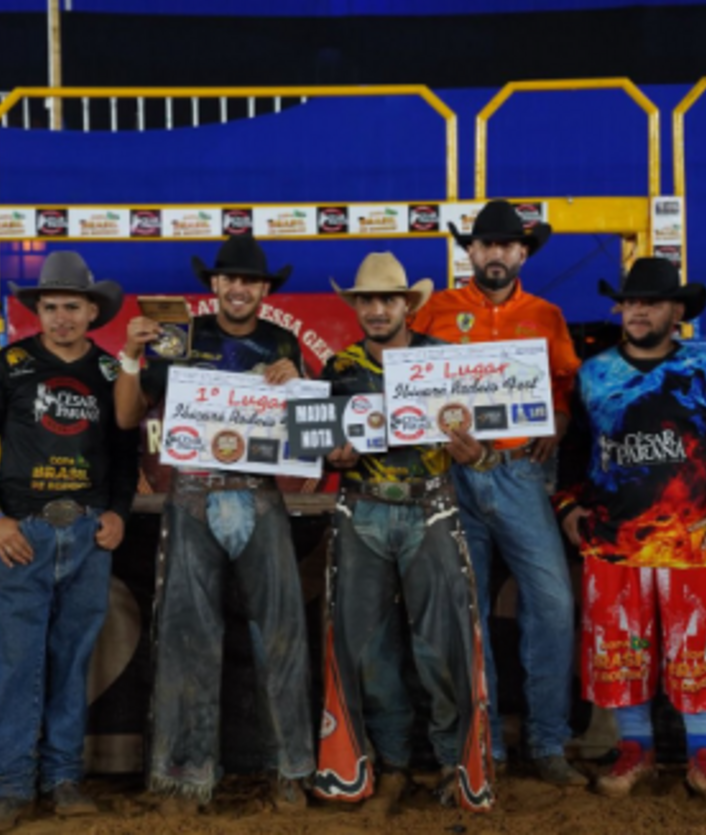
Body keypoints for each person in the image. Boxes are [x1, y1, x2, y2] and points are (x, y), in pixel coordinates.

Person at [556, 257, 706, 804]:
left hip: (694, 542)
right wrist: (567, 506)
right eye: (630, 301)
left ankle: (705, 758)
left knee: (699, 653)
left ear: (677, 312)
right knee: (621, 653)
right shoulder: (594, 374)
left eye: (650, 302)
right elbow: (574, 449)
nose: (638, 311)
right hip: (612, 542)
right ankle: (636, 749)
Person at [115, 235, 314, 812]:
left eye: (250, 280)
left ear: (265, 288)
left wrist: (297, 384)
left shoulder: (282, 342)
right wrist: (130, 355)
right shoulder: (181, 336)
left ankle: (290, 769)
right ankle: (186, 773)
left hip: (259, 492)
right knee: (187, 636)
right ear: (215, 284)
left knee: (281, 636)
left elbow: (307, 433)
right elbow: (127, 416)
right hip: (192, 494)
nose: (239, 288)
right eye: (230, 279)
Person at [0, 251, 139, 831]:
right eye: (51, 307)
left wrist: (118, 511)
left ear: (93, 312)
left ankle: (63, 778)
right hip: (23, 532)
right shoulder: (7, 365)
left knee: (72, 661)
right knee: (17, 663)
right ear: (37, 311)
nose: (61, 317)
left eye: (72, 307)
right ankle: (10, 786)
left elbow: (126, 450)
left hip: (88, 533)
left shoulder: (110, 371)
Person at [410, 199, 584, 785]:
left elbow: (565, 384)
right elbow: (406, 380)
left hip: (518, 470)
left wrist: (559, 421)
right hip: (451, 473)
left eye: (506, 245)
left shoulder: (546, 315)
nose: (495, 254)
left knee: (553, 604)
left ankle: (548, 740)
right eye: (485, 244)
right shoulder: (435, 310)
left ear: (522, 254)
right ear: (472, 252)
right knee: (467, 608)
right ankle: (482, 743)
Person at [313, 253, 494, 814]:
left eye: (387, 299)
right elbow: (314, 449)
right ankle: (391, 764)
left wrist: (476, 454)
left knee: (440, 648)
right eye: (366, 300)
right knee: (369, 651)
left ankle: (450, 763)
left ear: (406, 305)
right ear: (356, 307)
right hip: (361, 510)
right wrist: (331, 456)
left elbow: (487, 448)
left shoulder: (442, 361)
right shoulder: (338, 368)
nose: (376, 309)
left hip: (430, 509)